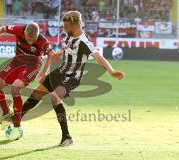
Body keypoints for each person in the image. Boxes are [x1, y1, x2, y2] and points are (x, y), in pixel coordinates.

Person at [21, 11, 125, 146]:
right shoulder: (69, 36)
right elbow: (66, 49)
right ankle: (15, 118)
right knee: (37, 93)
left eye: (66, 26)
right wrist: (59, 53)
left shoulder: (84, 41)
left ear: (74, 25)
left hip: (73, 76)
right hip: (61, 70)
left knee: (55, 97)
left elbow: (98, 57)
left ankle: (67, 137)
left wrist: (111, 71)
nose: (64, 29)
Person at [0, 22, 55, 140]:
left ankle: (17, 126)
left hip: (32, 66)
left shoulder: (43, 42)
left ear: (37, 35)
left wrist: (44, 71)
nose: (30, 42)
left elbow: (51, 55)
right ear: (24, 33)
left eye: (33, 40)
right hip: (16, 62)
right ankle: (7, 115)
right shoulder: (18, 29)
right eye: (28, 39)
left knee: (15, 89)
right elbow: (3, 28)